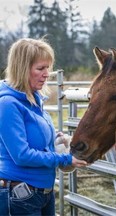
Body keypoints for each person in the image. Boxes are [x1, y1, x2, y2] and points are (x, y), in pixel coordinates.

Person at [0, 38, 88, 215]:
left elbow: (34, 137)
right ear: (22, 69)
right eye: (40, 68)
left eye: (48, 67)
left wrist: (56, 138)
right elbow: (22, 155)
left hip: (42, 193)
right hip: (20, 195)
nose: (47, 74)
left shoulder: (34, 100)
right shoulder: (8, 104)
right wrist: (64, 159)